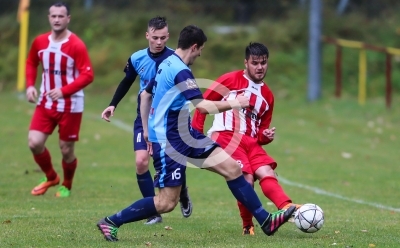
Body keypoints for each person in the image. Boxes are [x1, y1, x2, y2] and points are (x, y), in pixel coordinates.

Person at [96, 25, 296, 242]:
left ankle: (265, 220)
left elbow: (145, 95)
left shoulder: (166, 62)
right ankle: (111, 222)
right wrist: (234, 103)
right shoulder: (181, 70)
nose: (200, 54)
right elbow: (201, 106)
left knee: (231, 168)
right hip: (170, 141)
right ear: (194, 47)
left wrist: (146, 129)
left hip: (185, 134)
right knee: (166, 203)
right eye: (200, 50)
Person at [192, 42, 301, 235]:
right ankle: (247, 225)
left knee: (267, 172)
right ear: (246, 63)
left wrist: (266, 136)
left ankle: (286, 208)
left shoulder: (267, 95)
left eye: (263, 63)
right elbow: (203, 105)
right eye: (255, 63)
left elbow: (261, 130)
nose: (260, 67)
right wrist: (196, 135)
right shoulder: (229, 80)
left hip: (251, 143)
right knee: (247, 179)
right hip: (227, 136)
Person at [100, 16, 192, 225]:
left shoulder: (175, 60)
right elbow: (127, 81)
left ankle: (182, 193)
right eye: (155, 37)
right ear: (147, 35)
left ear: (168, 36)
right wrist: (113, 104)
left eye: (163, 38)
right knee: (141, 162)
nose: (159, 42)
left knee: (172, 160)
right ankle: (154, 213)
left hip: (169, 121)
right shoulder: (137, 58)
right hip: (144, 118)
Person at [25, 2, 94, 198]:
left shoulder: (76, 45)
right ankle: (51, 176)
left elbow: (87, 75)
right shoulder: (39, 42)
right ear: (49, 17)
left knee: (66, 150)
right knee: (34, 142)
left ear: (68, 19)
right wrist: (30, 85)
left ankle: (67, 184)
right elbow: (31, 62)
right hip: (45, 103)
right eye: (53, 16)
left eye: (61, 16)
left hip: (70, 106)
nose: (56, 19)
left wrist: (64, 91)